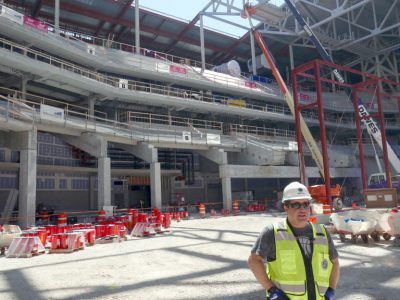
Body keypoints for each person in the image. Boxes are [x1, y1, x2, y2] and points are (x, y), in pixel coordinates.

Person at [248, 181, 340, 300]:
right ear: (286, 207)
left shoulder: (322, 232)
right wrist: (271, 289)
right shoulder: (273, 232)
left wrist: (331, 291)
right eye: (296, 205)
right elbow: (254, 261)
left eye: (305, 204)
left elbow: (335, 263)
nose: (302, 209)